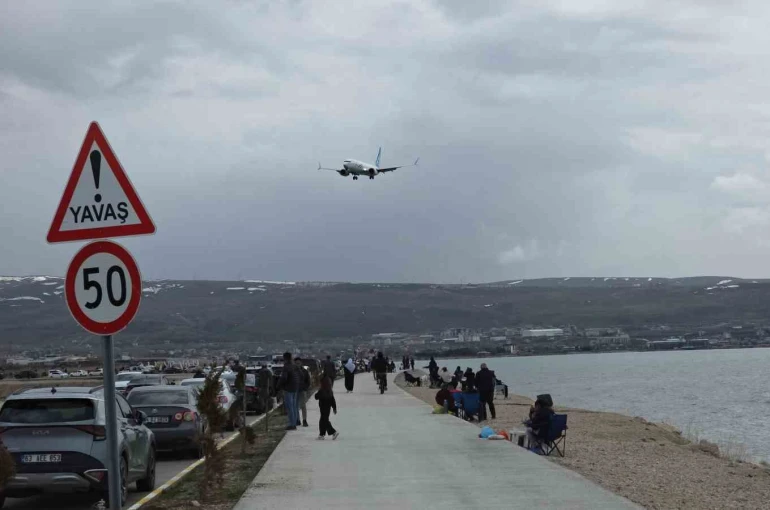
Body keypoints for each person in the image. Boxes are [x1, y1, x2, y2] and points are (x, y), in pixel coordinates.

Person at [278, 352, 299, 430]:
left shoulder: (286, 366)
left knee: (289, 407)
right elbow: (299, 375)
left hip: (289, 388)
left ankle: (292, 424)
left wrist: (278, 385)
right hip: (295, 387)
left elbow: (284, 378)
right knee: (293, 406)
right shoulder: (294, 365)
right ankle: (295, 422)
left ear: (284, 358)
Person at [295, 357, 310, 427]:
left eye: (299, 363)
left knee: (303, 406)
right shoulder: (293, 371)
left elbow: (308, 381)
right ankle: (297, 420)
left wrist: (305, 388)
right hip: (295, 391)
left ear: (301, 363)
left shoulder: (305, 371)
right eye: (296, 363)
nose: (298, 364)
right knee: (295, 406)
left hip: (302, 390)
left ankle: (304, 420)